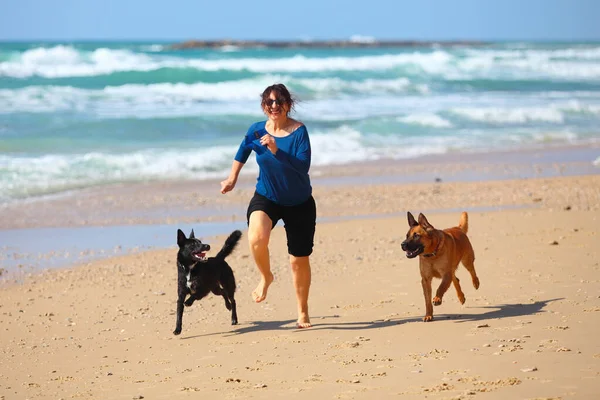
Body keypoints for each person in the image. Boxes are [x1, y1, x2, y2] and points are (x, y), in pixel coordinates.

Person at [220, 83, 316, 329]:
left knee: (298, 260)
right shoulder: (256, 130)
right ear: (264, 106)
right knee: (256, 238)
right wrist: (232, 178)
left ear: (288, 105)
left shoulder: (299, 132)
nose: (274, 106)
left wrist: (275, 150)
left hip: (299, 202)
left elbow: (302, 167)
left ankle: (302, 311)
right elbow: (242, 151)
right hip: (267, 196)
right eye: (269, 102)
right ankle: (266, 277)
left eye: (279, 101)